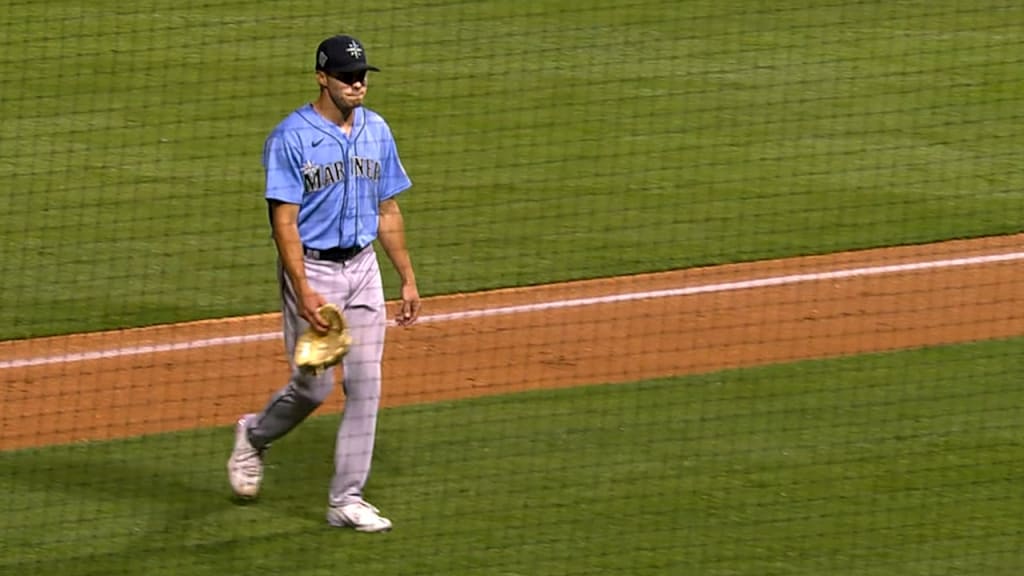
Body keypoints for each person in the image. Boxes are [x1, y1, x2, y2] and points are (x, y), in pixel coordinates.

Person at [227, 33, 421, 533]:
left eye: (362, 76)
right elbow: (284, 222)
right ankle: (254, 436)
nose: (357, 84)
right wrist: (303, 289)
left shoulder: (377, 130)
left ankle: (346, 499)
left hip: (362, 271)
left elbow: (388, 208)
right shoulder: (290, 138)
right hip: (312, 272)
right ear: (322, 77)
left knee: (366, 384)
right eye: (346, 76)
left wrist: (407, 277)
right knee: (314, 390)